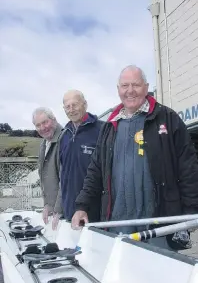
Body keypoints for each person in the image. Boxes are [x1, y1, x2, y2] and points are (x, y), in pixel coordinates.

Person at [71, 65, 198, 250]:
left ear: (146, 87)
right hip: (118, 224)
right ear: (118, 90)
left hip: (160, 225)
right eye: (125, 86)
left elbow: (188, 167)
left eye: (136, 85)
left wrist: (191, 211)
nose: (130, 91)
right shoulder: (109, 127)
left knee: (161, 274)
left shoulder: (168, 118)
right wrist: (82, 206)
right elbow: (95, 170)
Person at [54, 89, 103, 228]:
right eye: (67, 107)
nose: (71, 110)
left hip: (94, 210)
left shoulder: (102, 130)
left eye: (75, 105)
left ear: (85, 105)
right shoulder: (64, 135)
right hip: (70, 209)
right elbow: (62, 175)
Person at [33, 107, 63, 228]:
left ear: (54, 120)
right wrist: (47, 205)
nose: (43, 128)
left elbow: (66, 180)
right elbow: (45, 178)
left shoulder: (65, 139)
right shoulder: (44, 144)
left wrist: (59, 210)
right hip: (54, 211)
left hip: (64, 213)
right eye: (38, 125)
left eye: (45, 122)